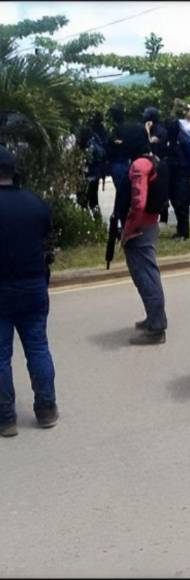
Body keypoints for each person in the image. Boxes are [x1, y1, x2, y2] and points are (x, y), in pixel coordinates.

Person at [0, 146, 58, 437]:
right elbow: (47, 238)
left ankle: (6, 418)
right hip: (33, 286)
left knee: (1, 357)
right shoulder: (35, 203)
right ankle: (46, 409)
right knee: (38, 348)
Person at [121, 123, 169, 346]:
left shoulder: (139, 165)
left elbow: (138, 203)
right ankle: (153, 318)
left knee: (146, 277)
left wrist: (128, 230)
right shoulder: (154, 160)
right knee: (147, 275)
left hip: (140, 229)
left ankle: (156, 328)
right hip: (150, 224)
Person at [165, 116, 190, 239]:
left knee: (182, 203)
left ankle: (184, 232)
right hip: (172, 173)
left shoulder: (184, 139)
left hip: (183, 173)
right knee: (174, 201)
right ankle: (180, 229)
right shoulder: (170, 138)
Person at [106, 103, 133, 228]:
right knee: (123, 193)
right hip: (125, 162)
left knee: (122, 193)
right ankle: (121, 220)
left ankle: (120, 219)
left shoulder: (115, 130)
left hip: (118, 163)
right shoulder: (126, 128)